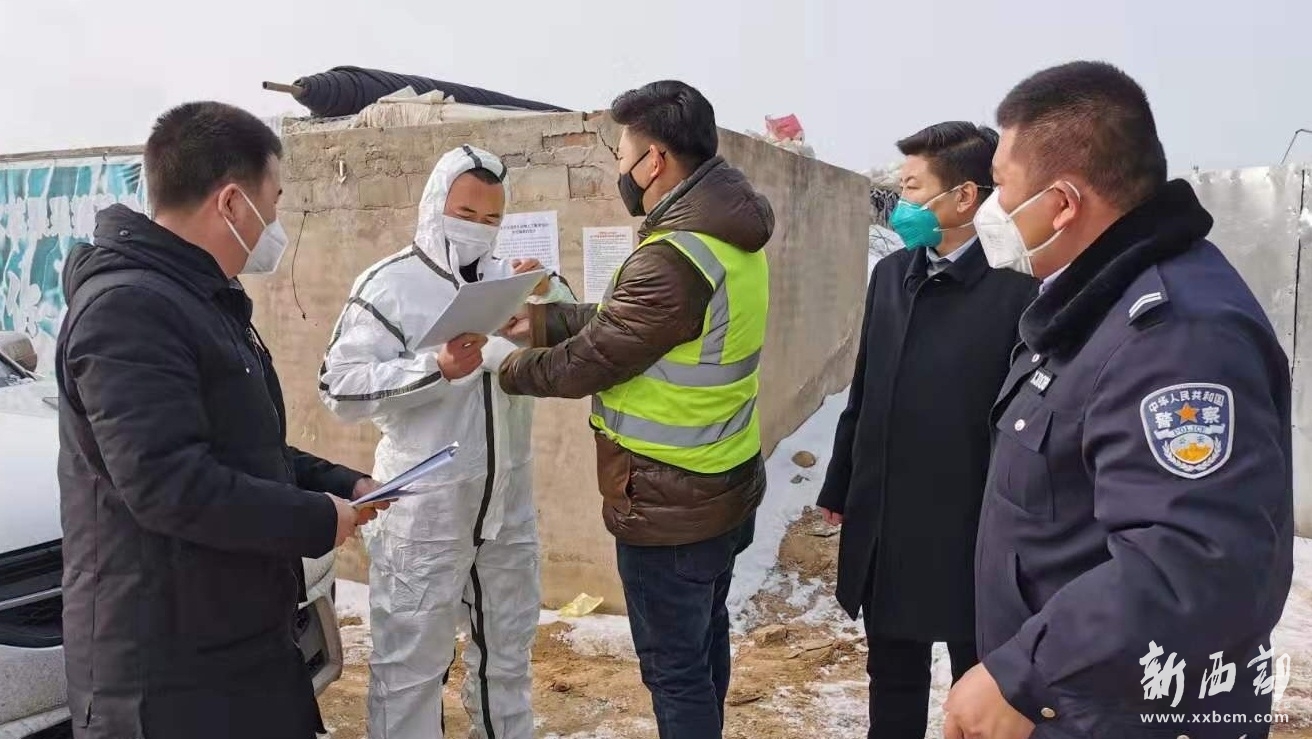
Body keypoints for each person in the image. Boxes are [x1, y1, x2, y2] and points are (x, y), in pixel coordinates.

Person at [943, 61, 1294, 739]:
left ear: (1062, 203)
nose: (991, 210)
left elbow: (1194, 561)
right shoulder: (1090, 304)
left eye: (1001, 187)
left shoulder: (1175, 336)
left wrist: (1027, 675)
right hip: (1078, 703)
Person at [55, 101, 382, 739]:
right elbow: (169, 484)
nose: (276, 223)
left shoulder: (198, 299)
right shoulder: (128, 310)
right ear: (233, 203)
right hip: (167, 675)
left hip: (233, 644)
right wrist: (317, 518)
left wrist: (344, 484)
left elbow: (243, 445)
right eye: (274, 201)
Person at [495, 80, 773, 739]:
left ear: (654, 160)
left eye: (621, 156)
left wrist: (498, 366)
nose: (618, 170)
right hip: (722, 484)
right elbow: (631, 321)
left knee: (675, 672)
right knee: (703, 642)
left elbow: (591, 360)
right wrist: (543, 322)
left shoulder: (674, 255)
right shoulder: (723, 235)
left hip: (667, 503)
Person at [318, 145, 574, 739]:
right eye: (465, 213)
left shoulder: (512, 283)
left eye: (492, 218)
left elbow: (568, 347)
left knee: (507, 653)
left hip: (507, 504)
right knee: (411, 664)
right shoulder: (390, 285)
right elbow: (338, 385)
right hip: (425, 509)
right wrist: (433, 367)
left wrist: (549, 294)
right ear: (436, 206)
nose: (478, 228)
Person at [816, 122, 1036, 739]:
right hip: (888, 513)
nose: (901, 201)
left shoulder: (1018, 287)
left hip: (972, 520)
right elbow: (865, 385)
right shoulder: (892, 275)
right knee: (892, 674)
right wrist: (841, 481)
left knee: (982, 673)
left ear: (964, 197)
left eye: (912, 188)